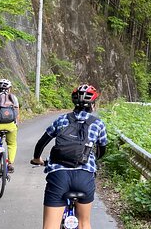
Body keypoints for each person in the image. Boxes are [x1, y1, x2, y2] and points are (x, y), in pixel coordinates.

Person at [31, 84, 108, 229]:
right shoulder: (98, 124)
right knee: (84, 223)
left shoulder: (61, 120)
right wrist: (92, 161)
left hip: (58, 176)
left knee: (50, 226)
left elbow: (41, 143)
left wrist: (37, 159)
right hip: (85, 177)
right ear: (93, 105)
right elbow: (102, 150)